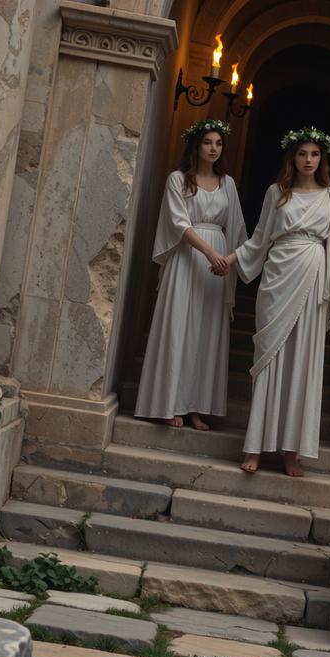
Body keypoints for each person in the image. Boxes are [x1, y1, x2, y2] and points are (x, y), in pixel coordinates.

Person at [227, 128, 330, 477]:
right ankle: (254, 446)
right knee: (269, 359)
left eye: (314, 154)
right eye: (302, 154)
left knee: (303, 363)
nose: (308, 160)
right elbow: (259, 239)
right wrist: (231, 259)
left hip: (313, 278)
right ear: (292, 158)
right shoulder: (276, 193)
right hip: (278, 276)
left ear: (321, 158)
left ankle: (290, 452)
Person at [134, 119, 244, 429]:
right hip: (186, 258)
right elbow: (179, 223)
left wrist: (228, 260)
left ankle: (196, 406)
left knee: (206, 335)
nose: (213, 148)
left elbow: (237, 228)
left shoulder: (228, 184)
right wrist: (209, 252)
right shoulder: (178, 179)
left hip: (217, 266)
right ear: (196, 146)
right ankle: (169, 403)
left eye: (218, 143)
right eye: (207, 142)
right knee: (178, 328)